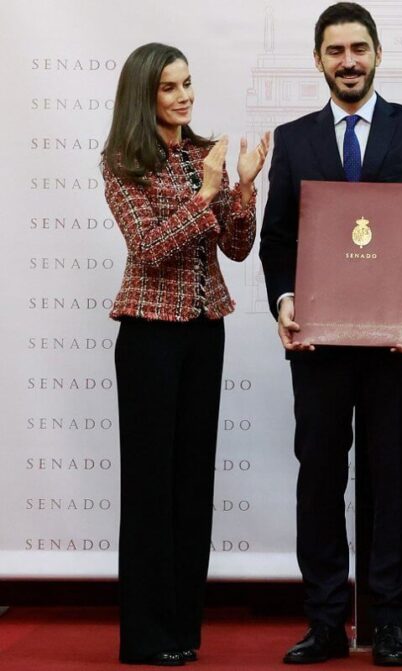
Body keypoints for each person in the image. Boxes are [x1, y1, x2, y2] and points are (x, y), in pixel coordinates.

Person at [258, 2, 402, 666]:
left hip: (397, 341)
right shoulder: (294, 139)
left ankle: (390, 619)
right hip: (318, 341)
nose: (349, 61)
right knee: (319, 477)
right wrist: (285, 300)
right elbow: (277, 238)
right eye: (336, 50)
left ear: (377, 54)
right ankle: (322, 619)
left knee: (393, 478)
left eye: (359, 49)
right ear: (318, 59)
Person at [101, 42, 268, 666]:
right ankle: (146, 637)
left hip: (203, 332)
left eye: (188, 83)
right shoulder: (123, 162)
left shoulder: (206, 154)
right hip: (148, 334)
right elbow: (148, 248)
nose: (184, 96)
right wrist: (205, 194)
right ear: (145, 97)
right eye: (170, 88)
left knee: (192, 483)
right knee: (150, 485)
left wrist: (243, 189)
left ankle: (183, 630)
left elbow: (237, 248)